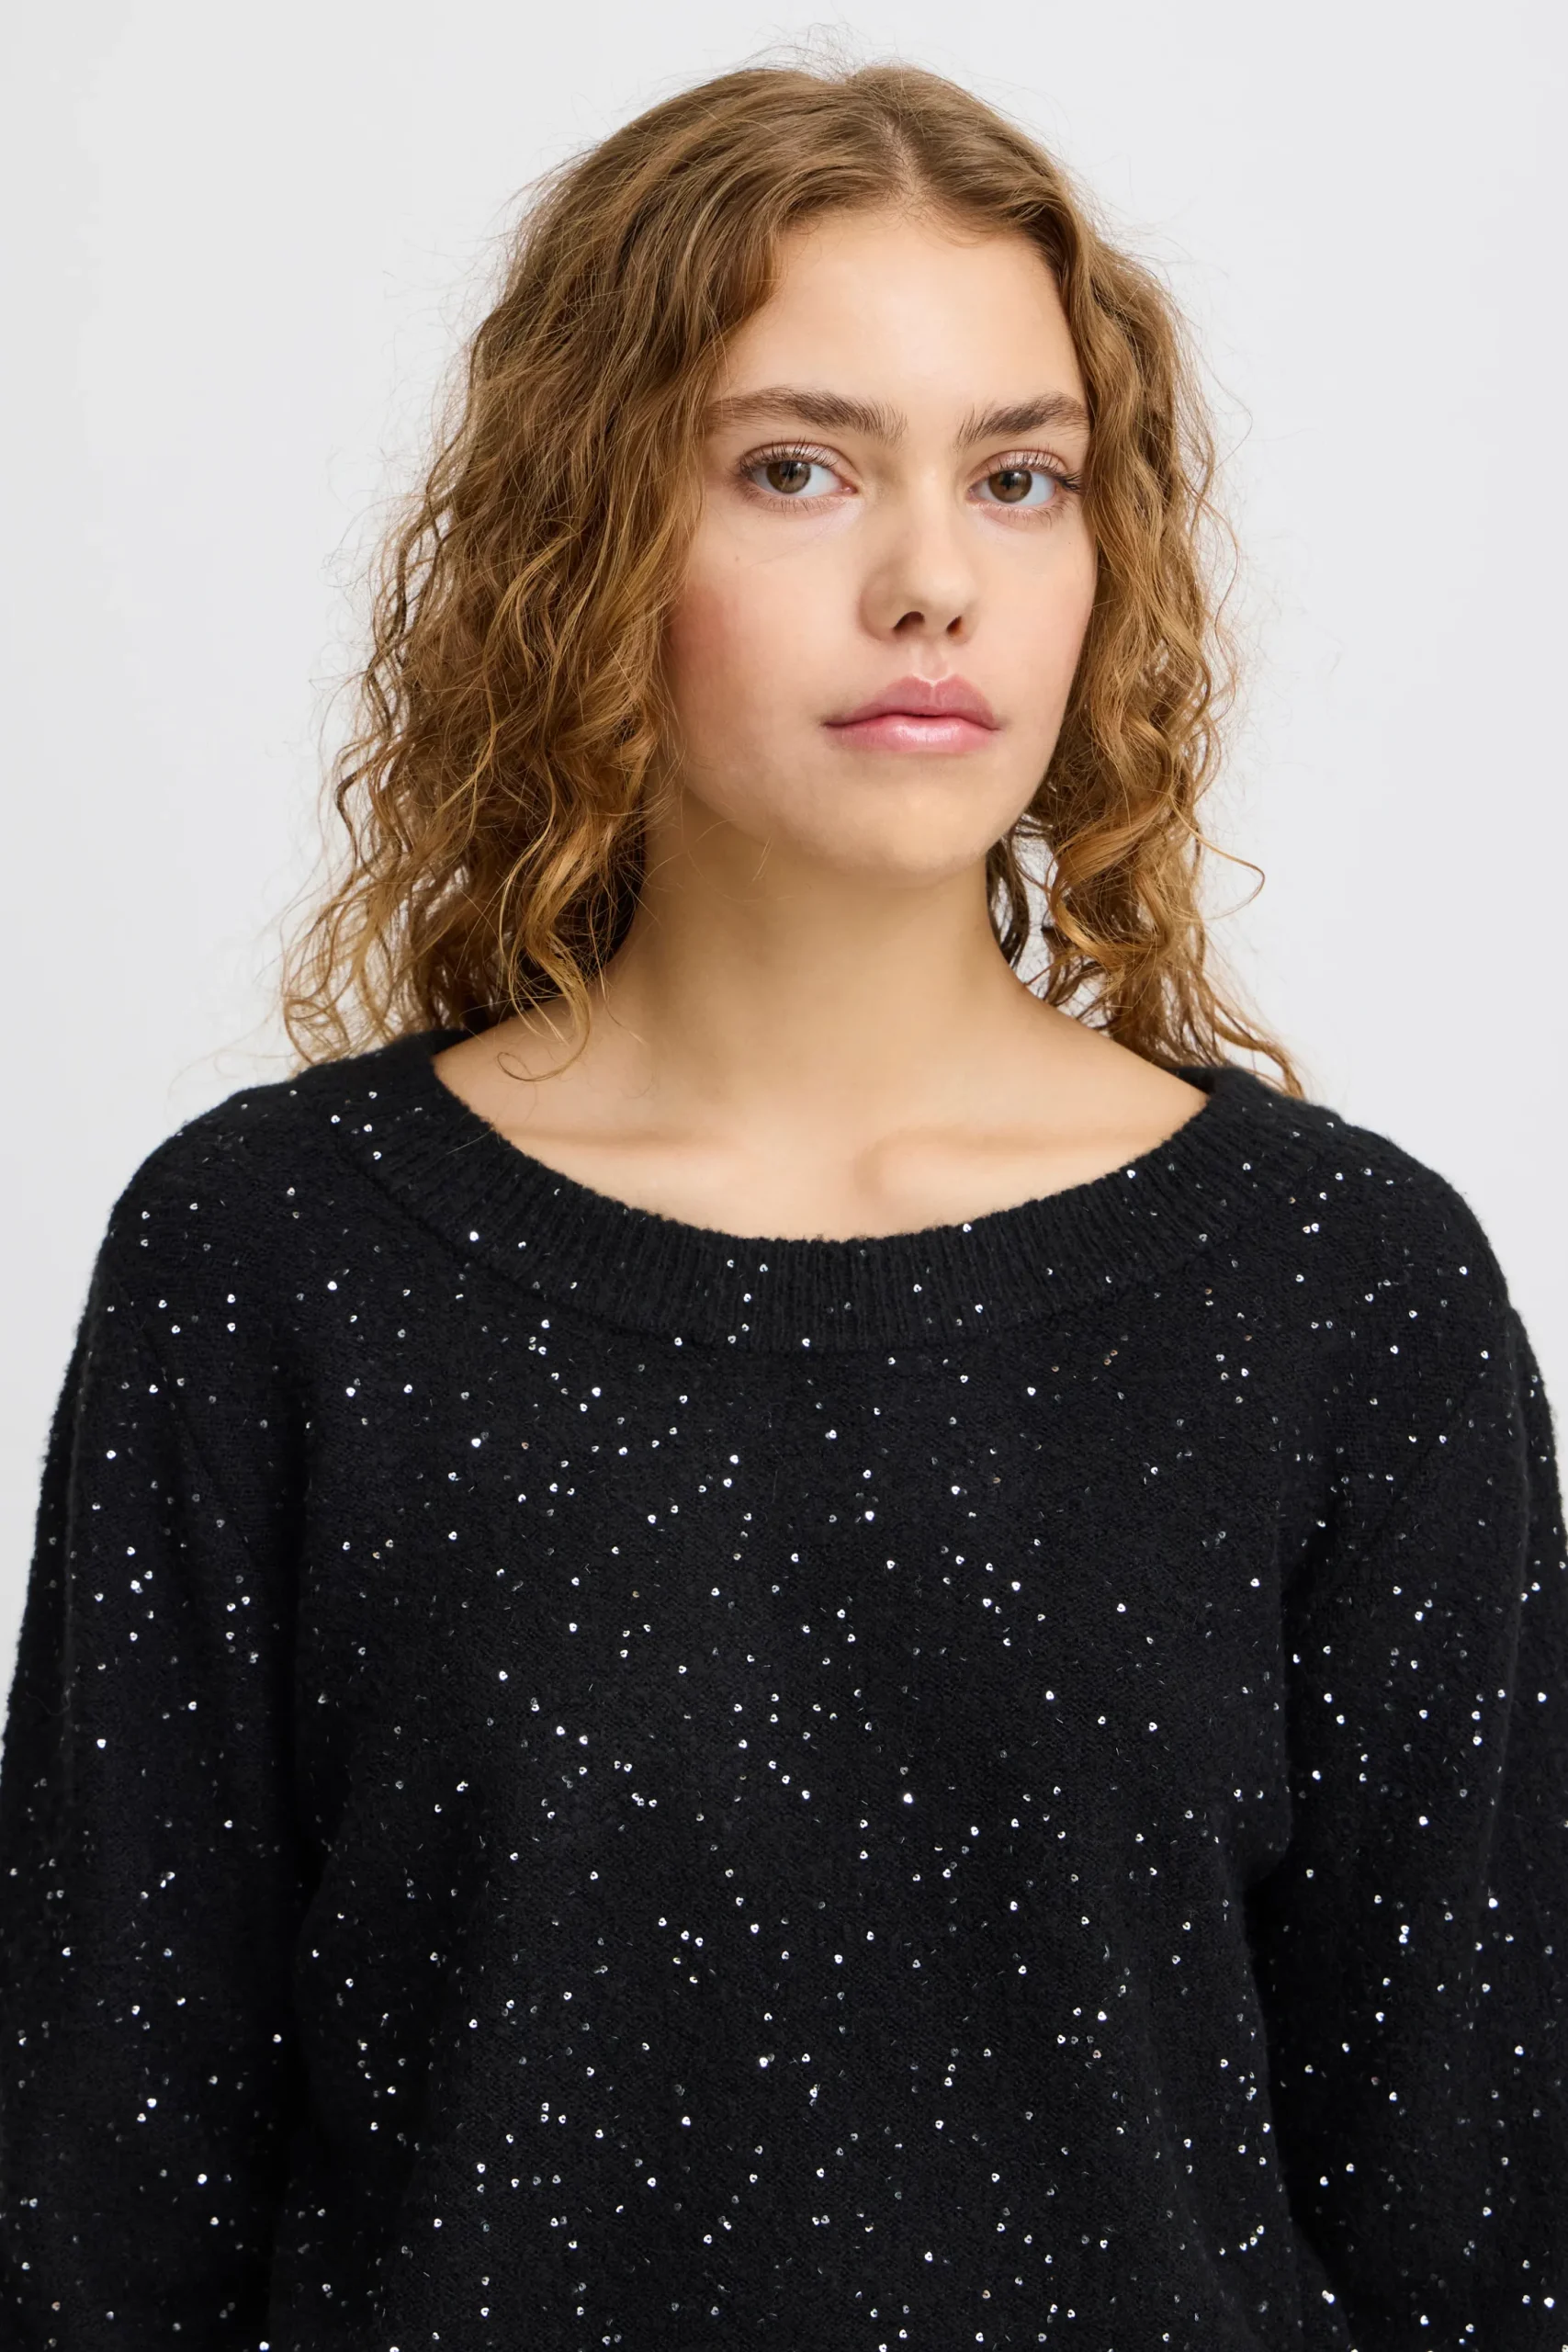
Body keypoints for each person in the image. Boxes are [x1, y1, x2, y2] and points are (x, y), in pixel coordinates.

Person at [1, 56, 1562, 2352]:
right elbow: (100, 2214)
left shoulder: (1345, 1290)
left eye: (1020, 477)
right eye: (796, 468)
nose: (933, 580)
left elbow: (1472, 2231)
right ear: (589, 533)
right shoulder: (270, 1258)